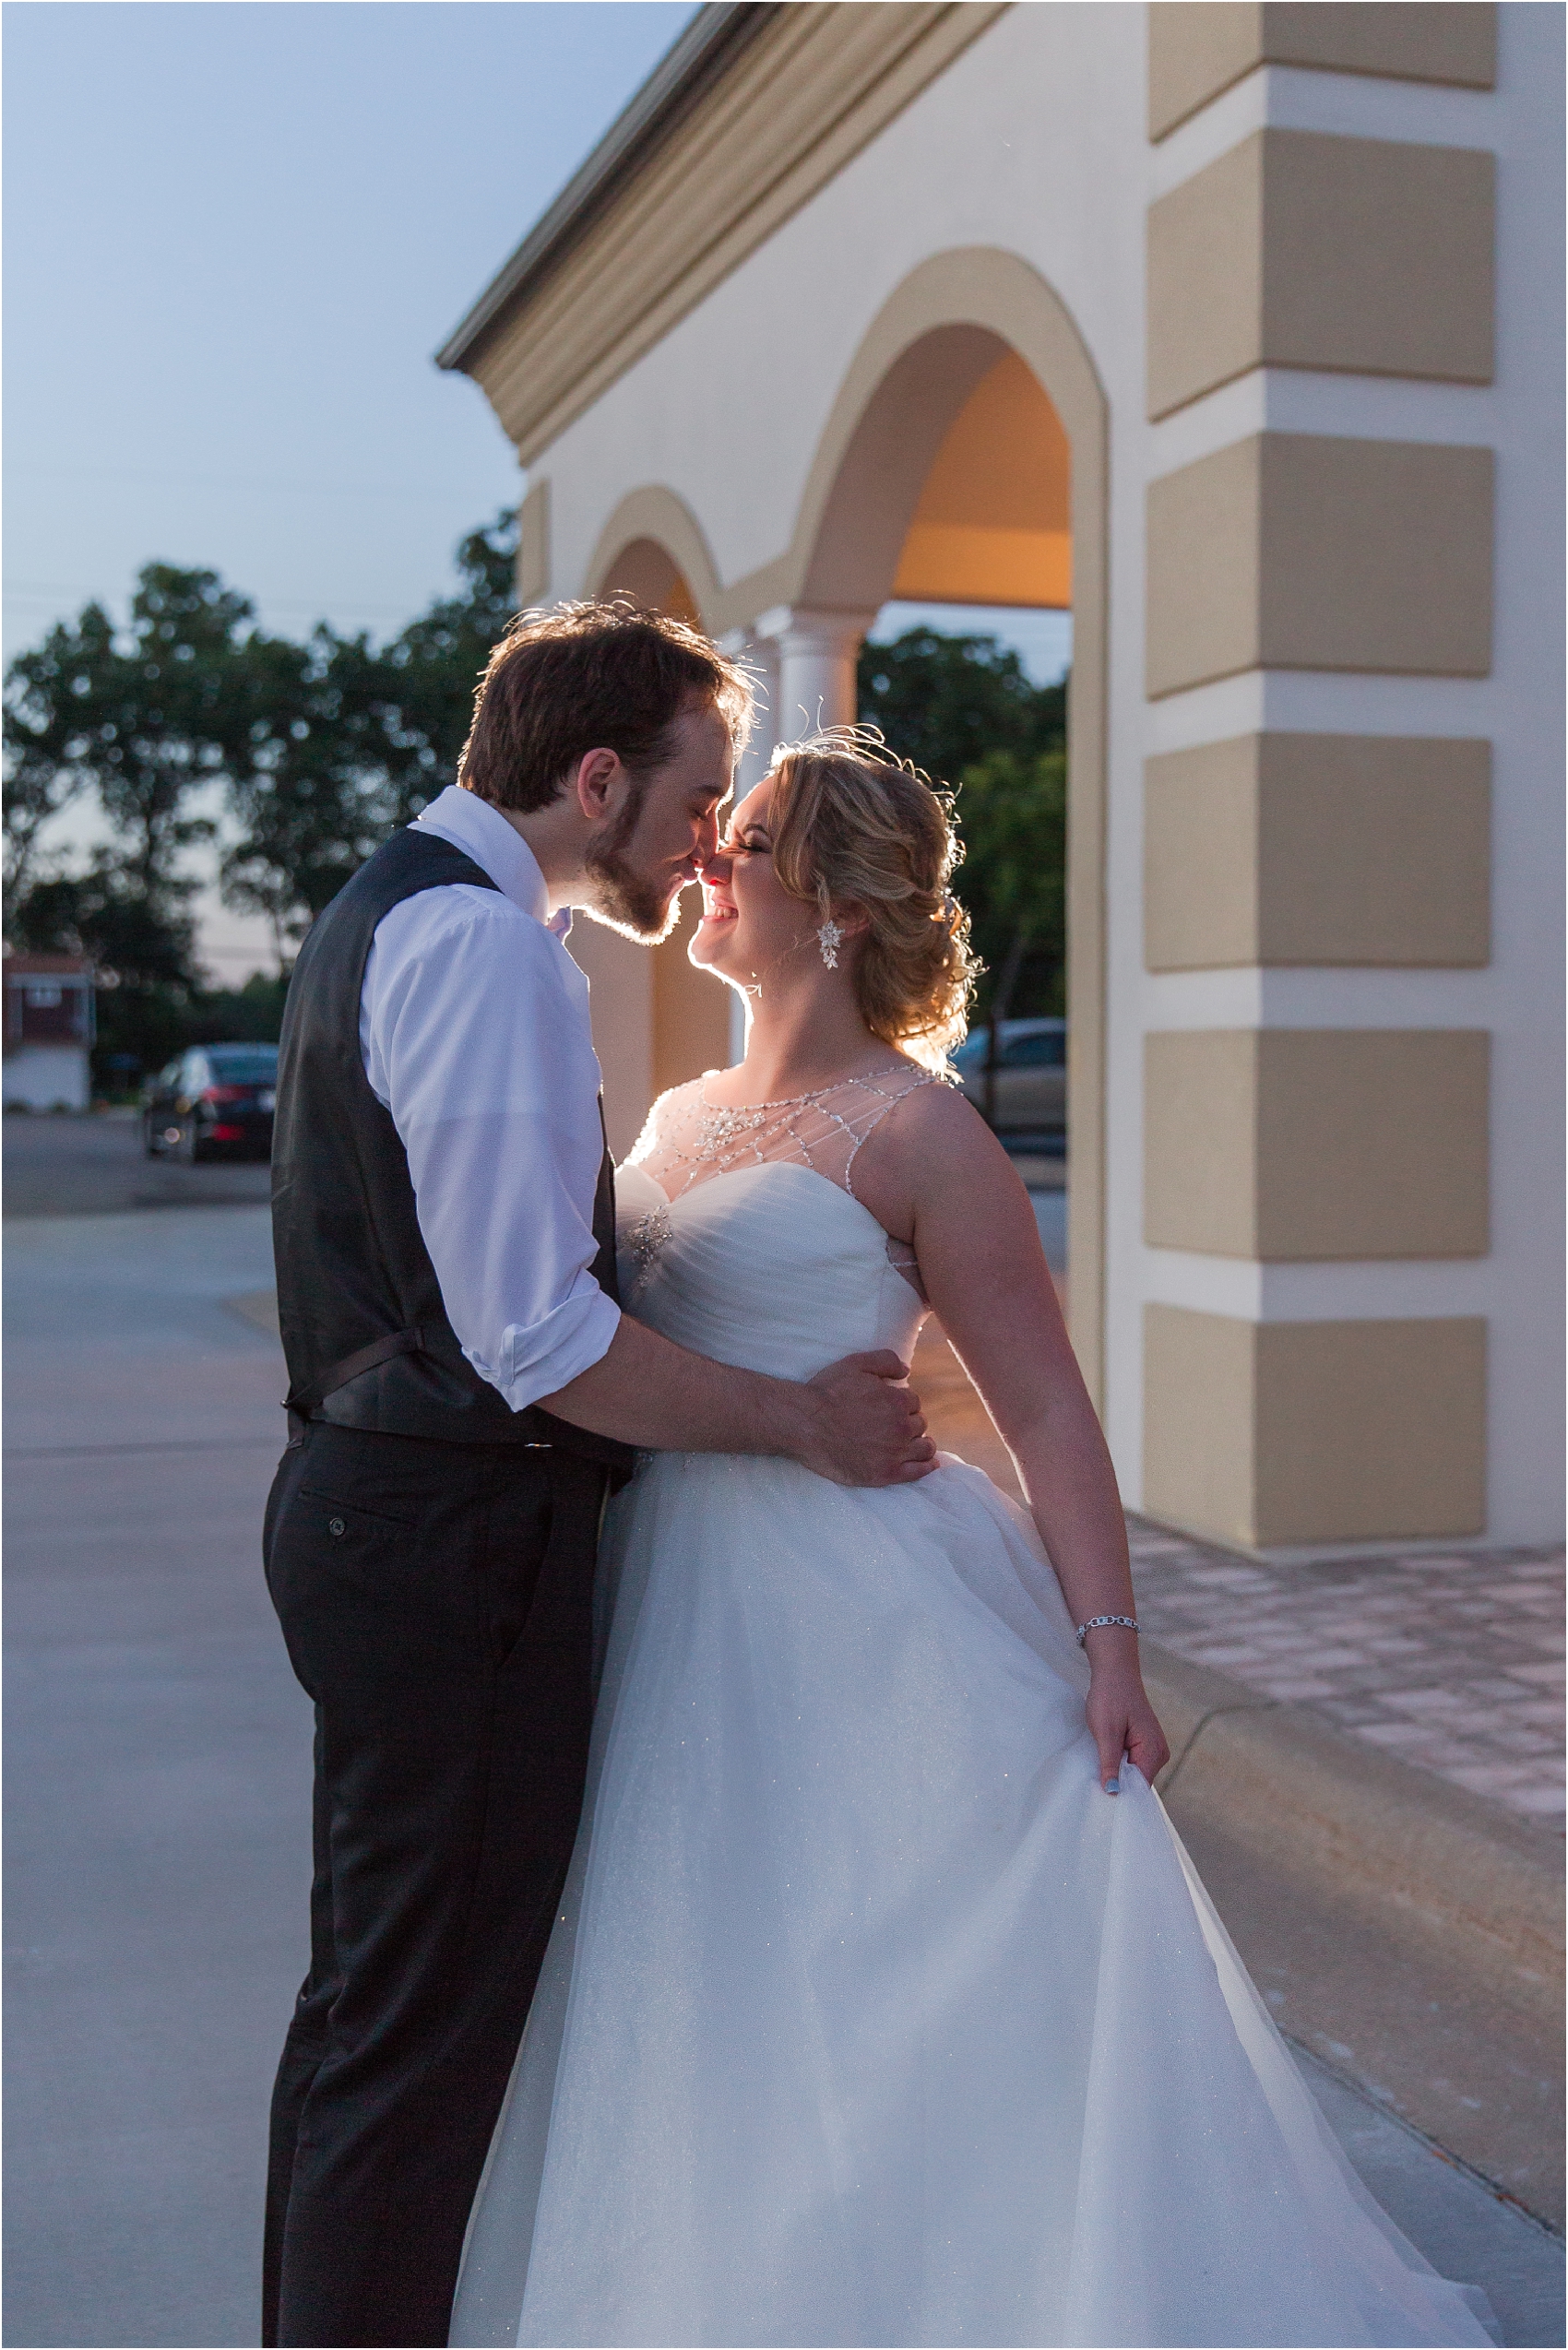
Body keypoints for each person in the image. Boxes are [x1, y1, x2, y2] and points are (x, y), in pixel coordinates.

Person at [451, 733, 1494, 2350]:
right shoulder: (673, 1114)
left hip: (864, 1612)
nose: (708, 856)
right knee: (704, 1986)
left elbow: (1049, 1414)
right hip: (673, 1603)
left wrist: (1111, 1652)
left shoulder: (919, 1135)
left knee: (885, 1990)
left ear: (840, 907)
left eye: (753, 835)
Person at [261, 618, 934, 2350]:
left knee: (372, 2021)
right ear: (595, 780)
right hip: (446, 1545)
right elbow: (536, 1343)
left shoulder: (401, 912)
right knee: (413, 2046)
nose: (709, 839)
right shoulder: (482, 949)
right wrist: (797, 1418)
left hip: (392, 1520)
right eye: (700, 797)